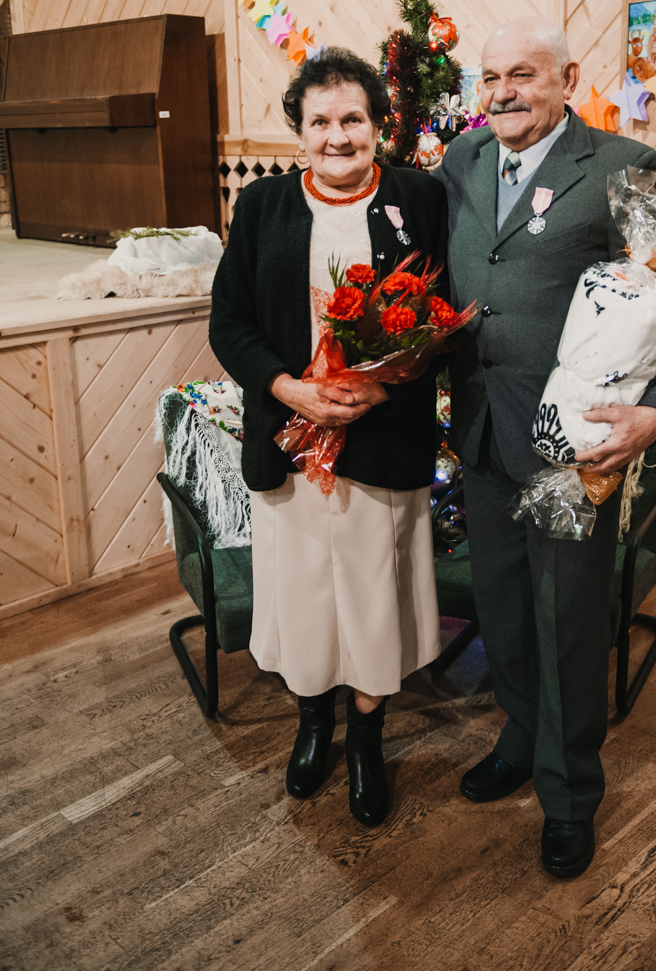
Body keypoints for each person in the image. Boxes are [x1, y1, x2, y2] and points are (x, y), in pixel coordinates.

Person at [433, 17, 656, 878]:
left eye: (523, 74)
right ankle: (521, 737)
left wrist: (654, 417)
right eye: (490, 77)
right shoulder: (463, 160)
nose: (503, 91)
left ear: (567, 79)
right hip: (482, 433)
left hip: (572, 451)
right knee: (505, 609)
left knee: (567, 620)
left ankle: (570, 794)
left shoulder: (625, 167)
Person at [209, 47, 447, 827]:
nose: (337, 136)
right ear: (299, 130)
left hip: (383, 438)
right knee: (306, 593)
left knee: (375, 596)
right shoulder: (263, 207)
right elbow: (228, 322)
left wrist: (386, 384)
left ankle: (368, 740)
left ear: (379, 125)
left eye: (352, 119)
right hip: (289, 440)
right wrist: (287, 388)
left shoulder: (420, 197)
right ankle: (314, 724)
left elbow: (446, 318)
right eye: (320, 121)